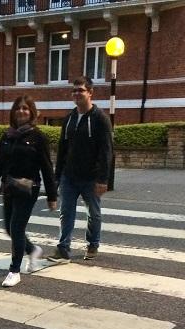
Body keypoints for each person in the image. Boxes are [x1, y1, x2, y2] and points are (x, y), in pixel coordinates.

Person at [0, 95, 57, 287]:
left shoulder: (38, 137)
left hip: (28, 189)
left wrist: (52, 195)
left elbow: (47, 168)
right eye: (18, 108)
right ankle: (33, 250)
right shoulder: (7, 136)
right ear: (13, 112)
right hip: (8, 187)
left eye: (25, 108)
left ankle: (14, 270)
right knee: (9, 228)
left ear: (31, 112)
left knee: (16, 227)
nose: (22, 111)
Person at [47, 75, 114, 263]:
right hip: (69, 176)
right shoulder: (69, 118)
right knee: (66, 212)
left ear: (90, 93)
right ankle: (63, 249)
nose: (76, 93)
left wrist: (103, 179)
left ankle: (93, 244)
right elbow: (62, 148)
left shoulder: (100, 119)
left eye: (81, 90)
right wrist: (57, 176)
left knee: (94, 212)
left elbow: (107, 151)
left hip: (91, 177)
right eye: (74, 90)